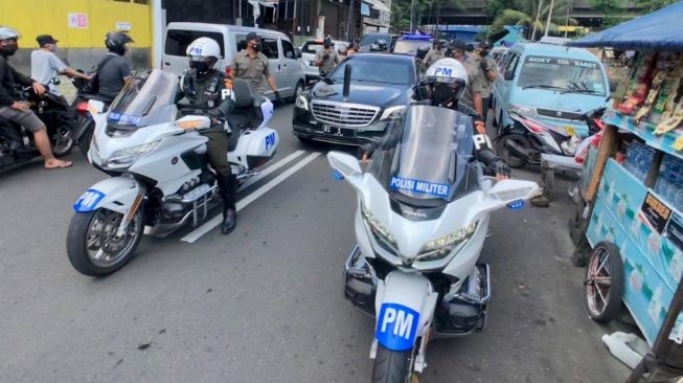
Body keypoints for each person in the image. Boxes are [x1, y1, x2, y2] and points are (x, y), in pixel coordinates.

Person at [360, 58, 511, 180]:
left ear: (460, 88)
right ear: (429, 86)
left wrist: (494, 161)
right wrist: (375, 145)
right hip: (411, 171)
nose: (441, 89)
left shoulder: (470, 116)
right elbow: (396, 134)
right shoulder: (415, 109)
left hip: (455, 177)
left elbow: (482, 147)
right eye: (436, 84)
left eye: (448, 85)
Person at [177, 37, 237, 234]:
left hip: (212, 125)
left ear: (211, 61)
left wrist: (218, 113)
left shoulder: (222, 78)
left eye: (199, 60)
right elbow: (171, 96)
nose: (195, 63)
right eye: (192, 59)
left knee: (220, 163)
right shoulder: (186, 77)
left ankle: (229, 208)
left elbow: (229, 101)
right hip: (185, 123)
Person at [0, 27, 72, 169]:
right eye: (12, 41)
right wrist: (12, 103)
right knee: (39, 127)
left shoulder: (3, 61)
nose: (15, 45)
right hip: (4, 105)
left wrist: (33, 82)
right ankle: (50, 160)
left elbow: (17, 76)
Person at [30, 34, 91, 104]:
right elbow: (66, 69)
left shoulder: (34, 53)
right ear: (47, 45)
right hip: (49, 86)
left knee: (63, 82)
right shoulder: (49, 55)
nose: (55, 45)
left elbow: (47, 68)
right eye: (53, 43)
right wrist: (86, 76)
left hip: (37, 84)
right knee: (75, 100)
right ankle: (72, 113)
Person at [231, 32, 282, 104]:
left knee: (258, 111)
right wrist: (230, 89)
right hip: (241, 92)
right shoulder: (238, 57)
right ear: (249, 43)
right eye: (256, 41)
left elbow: (269, 76)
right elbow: (232, 74)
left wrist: (276, 92)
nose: (259, 43)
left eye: (259, 41)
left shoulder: (263, 58)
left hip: (257, 92)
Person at [448, 40, 486, 133]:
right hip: (445, 113)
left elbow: (476, 95)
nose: (448, 52)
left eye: (451, 50)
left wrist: (479, 119)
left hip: (464, 114)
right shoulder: (443, 68)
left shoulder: (472, 71)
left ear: (460, 52)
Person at [95, 31, 134, 103]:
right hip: (117, 98)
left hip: (102, 95)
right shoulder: (122, 63)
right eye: (124, 45)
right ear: (119, 46)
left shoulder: (102, 59)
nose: (126, 48)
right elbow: (130, 86)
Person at [467, 42, 497, 124]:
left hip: (484, 94)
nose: (485, 50)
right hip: (471, 93)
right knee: (468, 116)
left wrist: (486, 69)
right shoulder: (470, 60)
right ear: (478, 48)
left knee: (481, 118)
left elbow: (493, 78)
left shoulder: (492, 62)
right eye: (483, 47)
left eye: (487, 48)